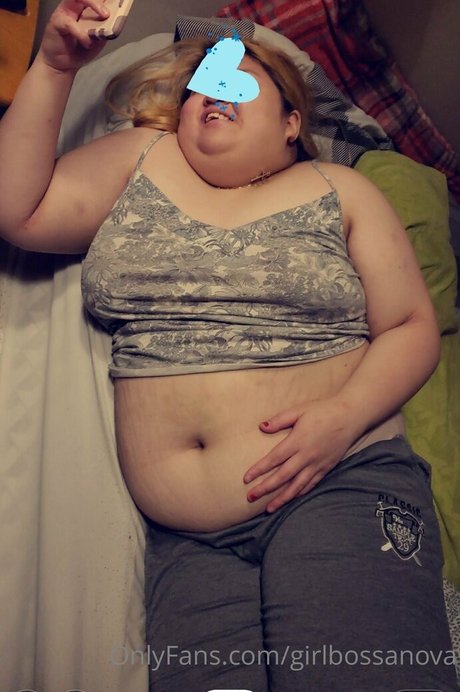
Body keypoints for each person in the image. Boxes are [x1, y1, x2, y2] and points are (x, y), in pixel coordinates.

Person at [0, 1, 457, 690]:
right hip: (192, 546)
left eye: (240, 79)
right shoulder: (144, 158)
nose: (215, 93)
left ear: (292, 121)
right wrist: (55, 65)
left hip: (338, 483)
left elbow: (412, 327)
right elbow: (19, 210)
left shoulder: (340, 188)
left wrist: (343, 417)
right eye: (201, 87)